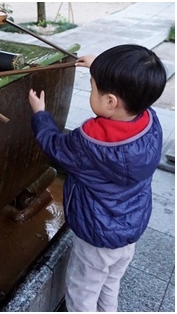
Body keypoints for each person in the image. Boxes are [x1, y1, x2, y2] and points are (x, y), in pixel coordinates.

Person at [27, 44, 166, 312]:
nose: (91, 91)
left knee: (81, 293)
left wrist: (40, 114)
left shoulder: (90, 142)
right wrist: (98, 67)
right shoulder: (150, 122)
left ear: (111, 101)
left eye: (92, 87)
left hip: (97, 238)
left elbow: (55, 145)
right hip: (129, 230)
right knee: (110, 283)